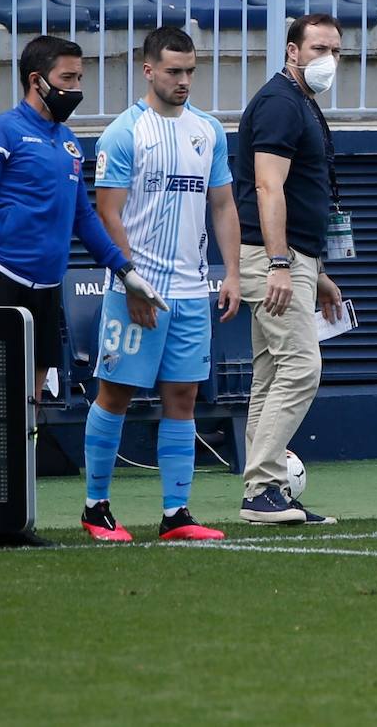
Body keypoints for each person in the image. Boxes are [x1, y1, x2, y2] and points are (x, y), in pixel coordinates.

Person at [0, 35, 167, 548]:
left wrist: (124, 270)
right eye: (67, 80)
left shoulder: (69, 144)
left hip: (46, 289)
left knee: (30, 403)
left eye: (79, 80)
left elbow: (83, 218)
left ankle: (10, 522)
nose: (76, 89)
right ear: (36, 81)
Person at [80, 27, 241, 543]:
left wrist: (232, 272)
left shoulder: (208, 131)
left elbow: (222, 205)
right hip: (137, 289)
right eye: (174, 71)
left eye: (191, 71)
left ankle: (177, 514)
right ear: (148, 70)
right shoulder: (124, 133)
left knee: (183, 398)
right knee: (116, 392)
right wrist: (132, 283)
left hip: (192, 291)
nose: (184, 80)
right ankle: (95, 506)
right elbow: (108, 213)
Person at [234, 14, 345, 525]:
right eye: (319, 47)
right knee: (301, 367)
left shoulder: (297, 102)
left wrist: (313, 269)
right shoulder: (281, 102)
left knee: (271, 374)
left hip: (291, 256)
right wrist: (281, 262)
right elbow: (267, 187)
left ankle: (266, 489)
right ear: (291, 51)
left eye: (336, 51)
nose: (328, 60)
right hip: (273, 257)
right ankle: (262, 490)